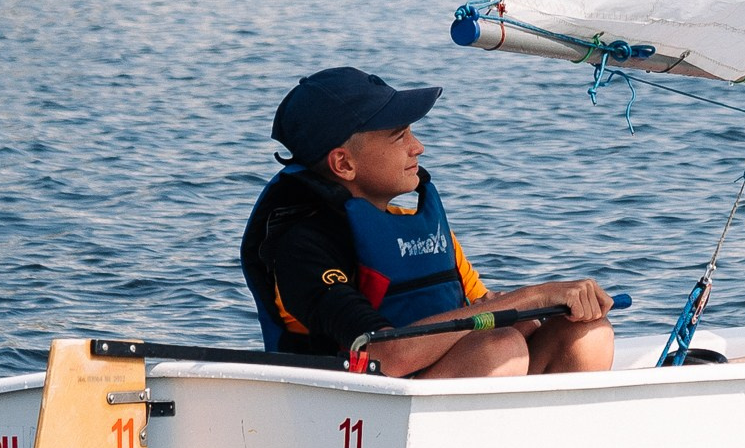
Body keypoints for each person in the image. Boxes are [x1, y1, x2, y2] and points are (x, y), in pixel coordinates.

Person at [239, 66, 615, 379]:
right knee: (499, 349)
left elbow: (481, 309)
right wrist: (531, 297)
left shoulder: (419, 230)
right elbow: (383, 355)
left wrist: (533, 313)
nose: (417, 147)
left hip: (438, 384)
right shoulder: (300, 247)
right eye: (399, 135)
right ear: (344, 164)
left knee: (586, 334)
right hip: (355, 413)